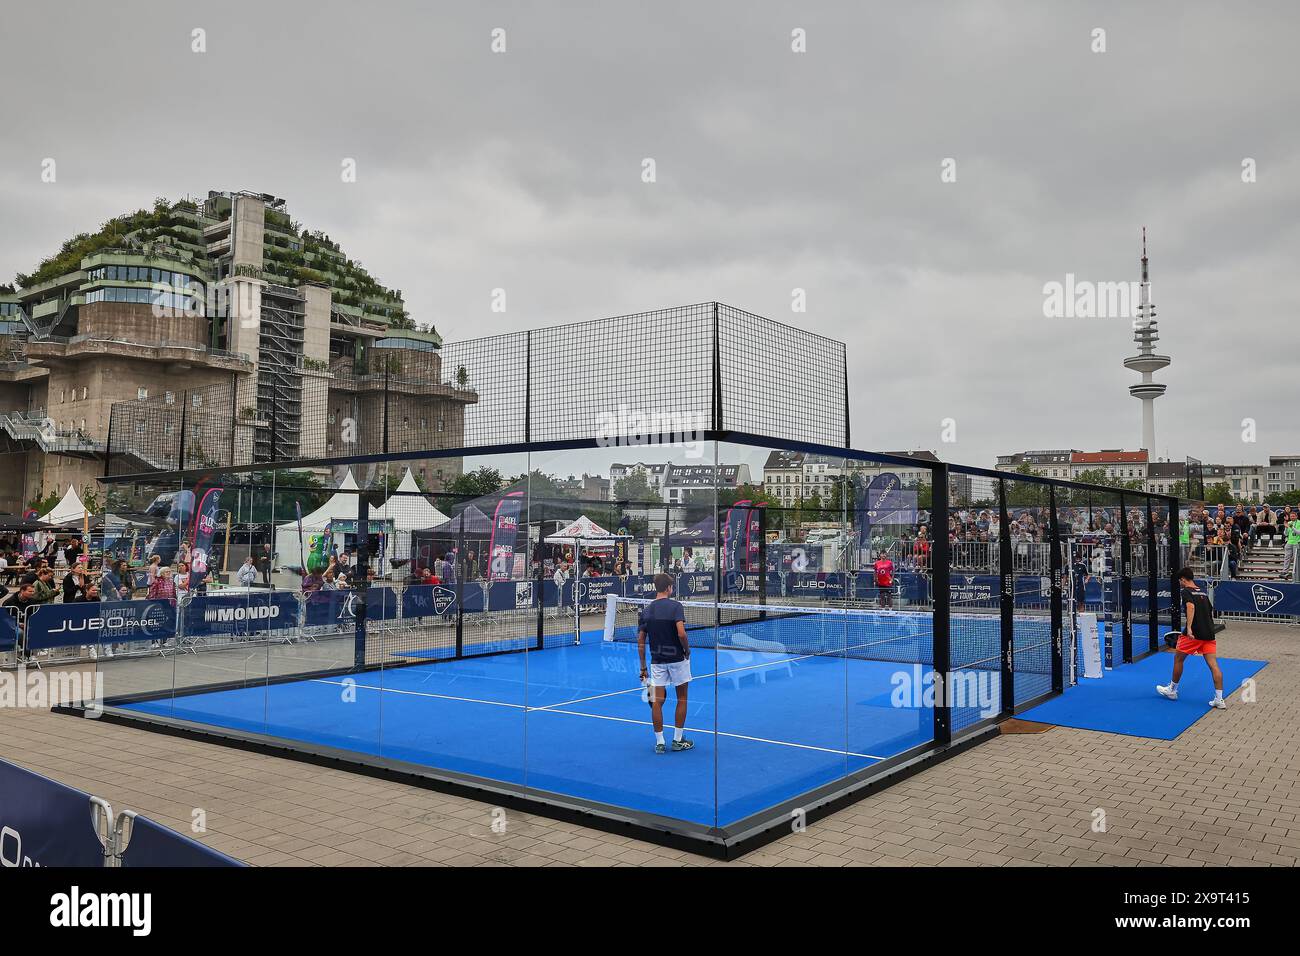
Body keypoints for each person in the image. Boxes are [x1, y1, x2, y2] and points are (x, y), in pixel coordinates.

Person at [635, 573, 693, 754]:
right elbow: (681, 633)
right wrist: (687, 649)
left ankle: (660, 743)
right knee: (682, 698)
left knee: (657, 702)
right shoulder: (676, 606)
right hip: (677, 659)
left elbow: (641, 642)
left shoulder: (646, 611)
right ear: (668, 588)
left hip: (657, 662)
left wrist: (643, 667)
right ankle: (677, 740)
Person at [1157, 567, 1226, 710]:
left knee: (1178, 659)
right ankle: (1219, 699)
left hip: (1193, 634)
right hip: (1209, 633)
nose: (1180, 583)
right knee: (1213, 665)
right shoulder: (1203, 592)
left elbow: (1190, 607)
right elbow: (1209, 611)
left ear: (1183, 579)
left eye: (1180, 581)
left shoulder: (1186, 592)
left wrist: (1189, 628)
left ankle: (1172, 690)